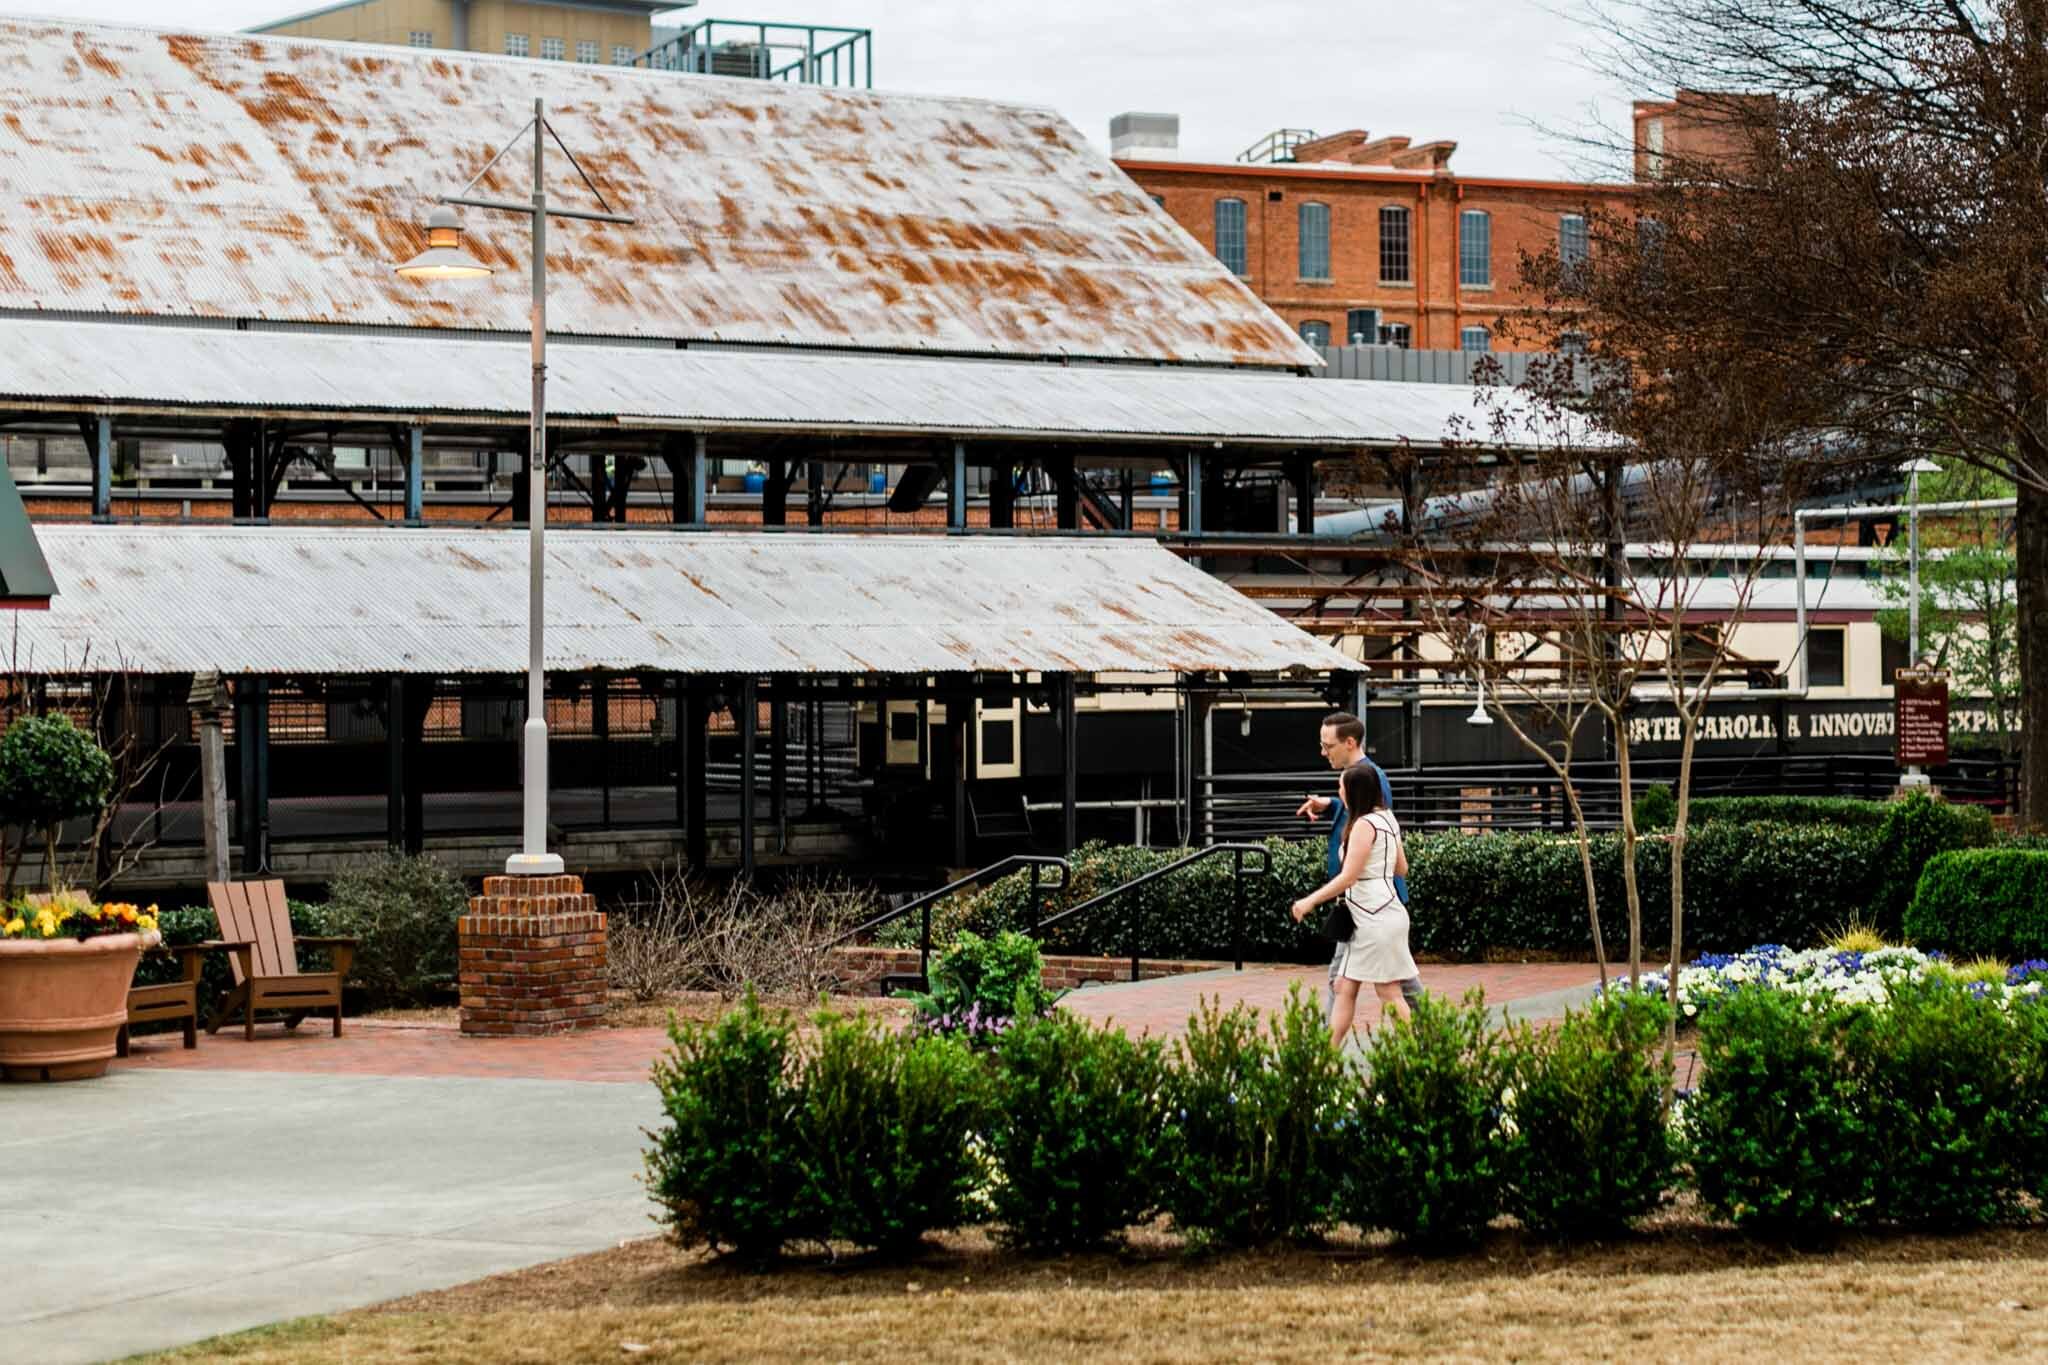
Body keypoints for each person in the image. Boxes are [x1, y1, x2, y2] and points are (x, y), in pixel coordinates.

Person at [1293, 713, 1422, 1015]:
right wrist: (1332, 804)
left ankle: (1325, 1051)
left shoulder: (1369, 779)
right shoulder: (1362, 779)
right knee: (1381, 984)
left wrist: (1310, 901)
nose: (1324, 752)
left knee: (1377, 985)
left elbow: (1373, 822)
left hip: (1370, 905)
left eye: (1329, 746)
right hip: (1368, 904)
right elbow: (1367, 813)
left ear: (1349, 743)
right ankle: (1431, 1036)